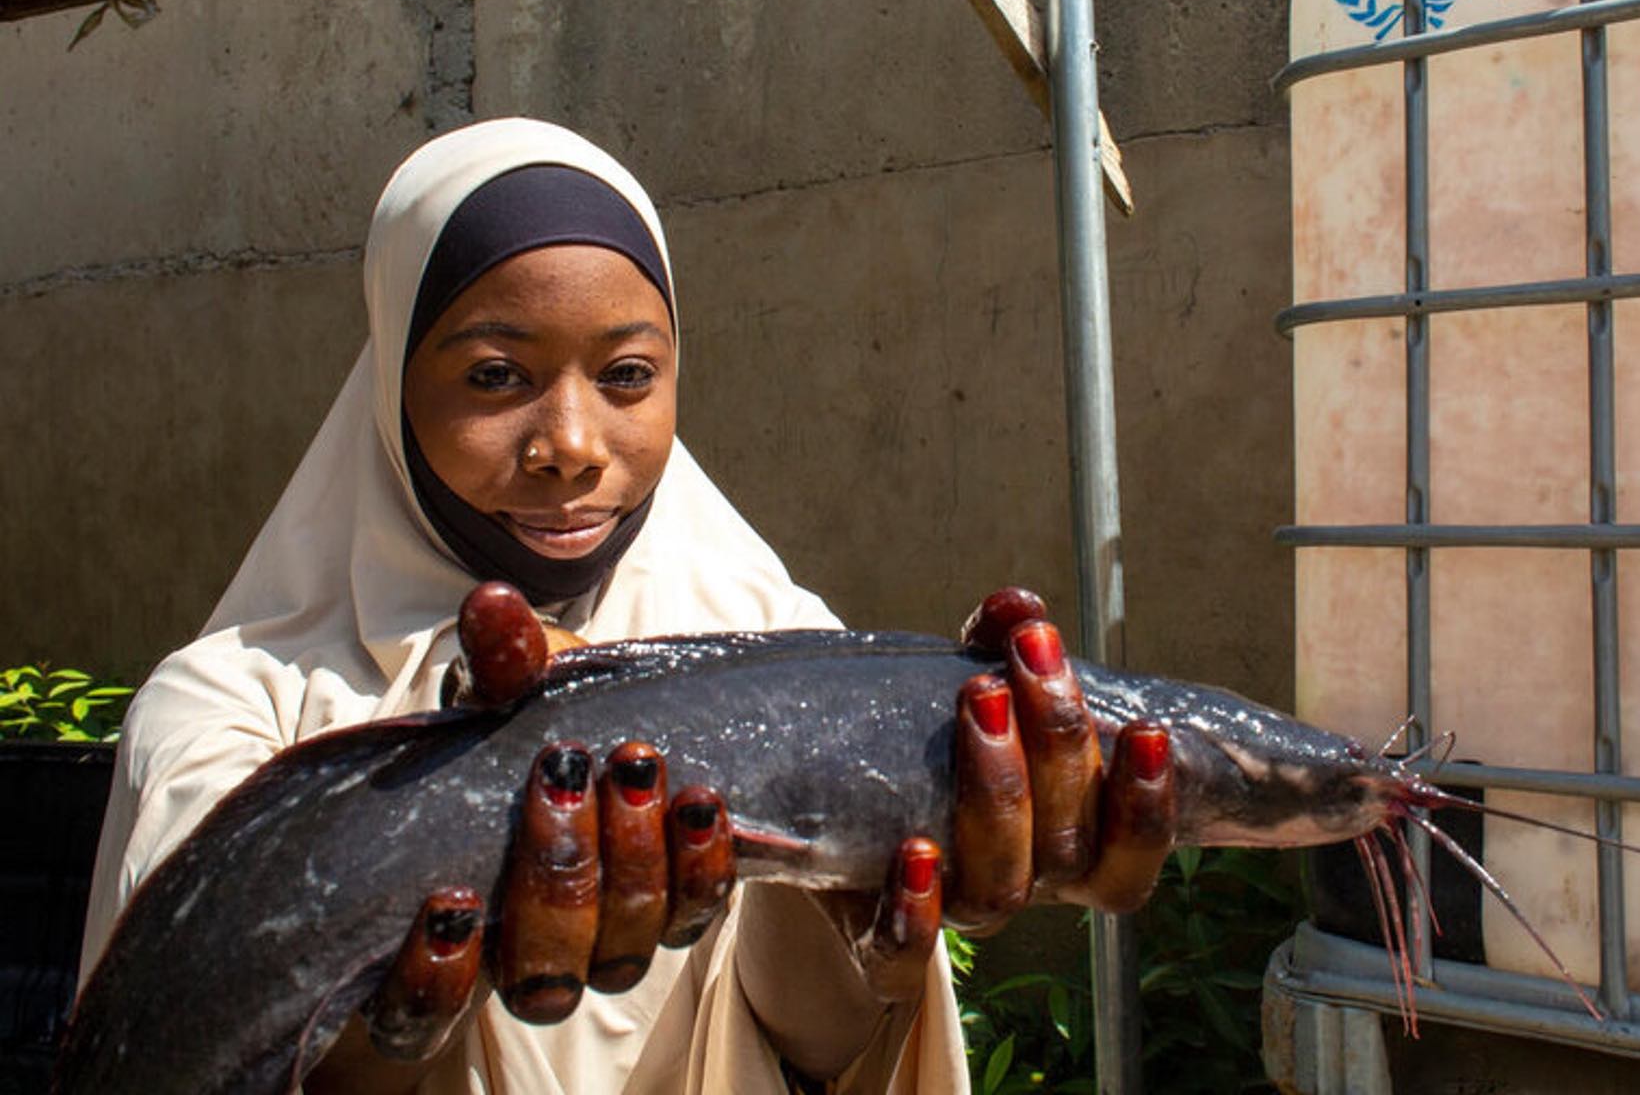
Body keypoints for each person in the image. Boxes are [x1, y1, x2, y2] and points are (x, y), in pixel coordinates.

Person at [79, 117, 1174, 1094]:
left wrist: (852, 921)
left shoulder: (787, 659)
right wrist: (395, 1028)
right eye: (497, 376)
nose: (574, 447)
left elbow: (813, 1050)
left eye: (628, 375)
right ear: (391, 383)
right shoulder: (229, 719)